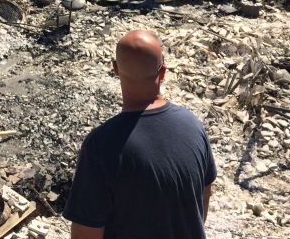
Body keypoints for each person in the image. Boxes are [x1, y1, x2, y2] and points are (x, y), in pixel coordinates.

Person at [63, 29, 216, 239]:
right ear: (163, 72)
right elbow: (204, 196)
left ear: (115, 69)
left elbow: (85, 235)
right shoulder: (193, 126)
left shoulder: (101, 145)